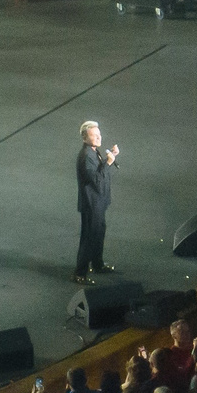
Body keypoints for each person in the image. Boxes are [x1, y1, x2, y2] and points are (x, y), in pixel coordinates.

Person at [74, 119, 117, 283]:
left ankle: (97, 264)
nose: (99, 138)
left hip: (98, 202)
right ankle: (80, 272)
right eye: (94, 135)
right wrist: (109, 163)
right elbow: (97, 179)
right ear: (85, 138)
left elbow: (100, 173)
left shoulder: (94, 151)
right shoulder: (86, 157)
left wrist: (108, 160)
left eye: (99, 134)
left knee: (99, 232)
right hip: (91, 204)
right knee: (89, 237)